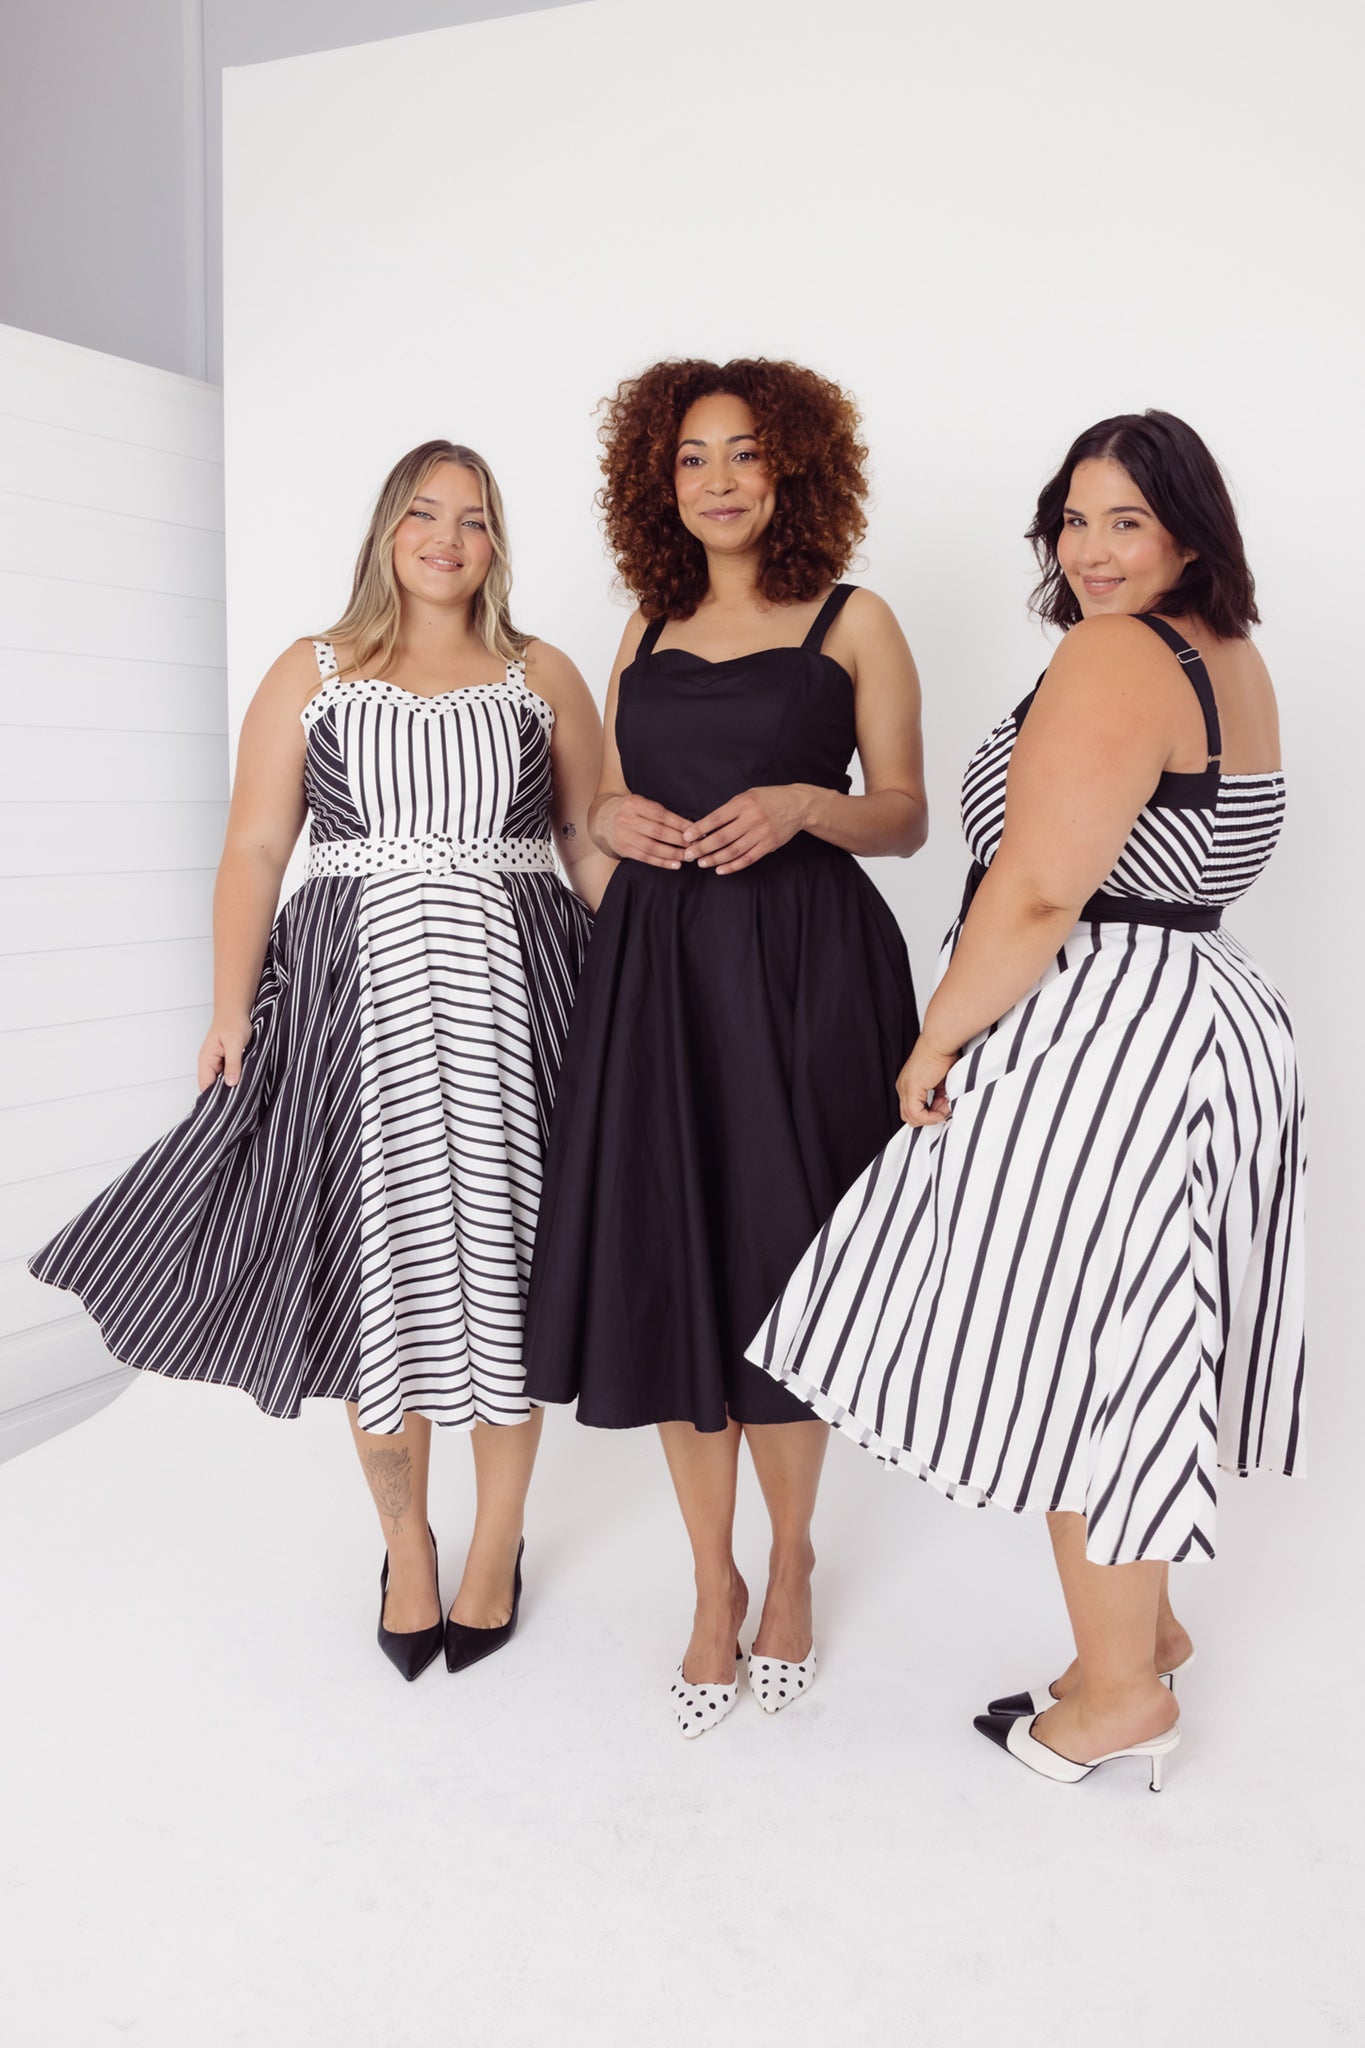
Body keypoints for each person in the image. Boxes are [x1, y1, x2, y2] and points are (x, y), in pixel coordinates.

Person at [748, 410, 1304, 1787]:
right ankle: (1146, 1633)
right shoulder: (1231, 657)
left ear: (1187, 530)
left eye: (1129, 519)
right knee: (1133, 1343)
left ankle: (1116, 1694)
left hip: (1100, 1032)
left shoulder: (1119, 654)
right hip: (1196, 1013)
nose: (1096, 549)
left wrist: (934, 1039)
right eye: (1076, 518)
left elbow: (1042, 889)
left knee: (1072, 1357)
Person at [30, 440, 613, 1682]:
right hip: (354, 1009)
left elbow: (583, 839)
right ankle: (407, 1544)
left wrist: (660, 977)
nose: (447, 538)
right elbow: (254, 849)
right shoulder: (316, 669)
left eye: (473, 518)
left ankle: (496, 1542)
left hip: (520, 1006)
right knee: (376, 1276)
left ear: (498, 541)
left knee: (511, 1265)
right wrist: (230, 1005)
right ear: (386, 529)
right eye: (423, 513)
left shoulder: (541, 672)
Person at [522, 358, 927, 1735]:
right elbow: (608, 812)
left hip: (805, 973)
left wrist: (814, 803)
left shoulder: (856, 619)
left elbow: (909, 815)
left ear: (792, 468)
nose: (717, 482)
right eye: (691, 459)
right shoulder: (643, 624)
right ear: (660, 480)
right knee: (670, 1265)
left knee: (778, 1264)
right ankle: (712, 1582)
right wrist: (606, 830)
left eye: (744, 455)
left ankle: (794, 1559)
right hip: (657, 972)